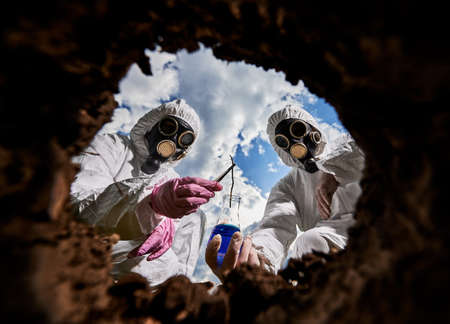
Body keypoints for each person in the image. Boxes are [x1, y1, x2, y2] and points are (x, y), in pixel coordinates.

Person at [71, 99, 222, 286]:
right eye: (169, 127)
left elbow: (177, 275)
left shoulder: (177, 190)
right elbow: (75, 207)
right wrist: (149, 205)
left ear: (184, 152)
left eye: (184, 139)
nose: (173, 140)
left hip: (133, 293)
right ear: (151, 125)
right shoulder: (110, 146)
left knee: (196, 215)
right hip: (76, 266)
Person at [206, 104, 364, 279]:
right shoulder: (288, 186)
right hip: (335, 237)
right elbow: (275, 227)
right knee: (310, 241)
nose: (296, 142)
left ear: (314, 129)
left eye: (298, 129)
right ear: (282, 151)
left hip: (378, 219)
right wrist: (259, 259)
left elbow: (374, 141)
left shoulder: (344, 145)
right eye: (284, 141)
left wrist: (330, 169)